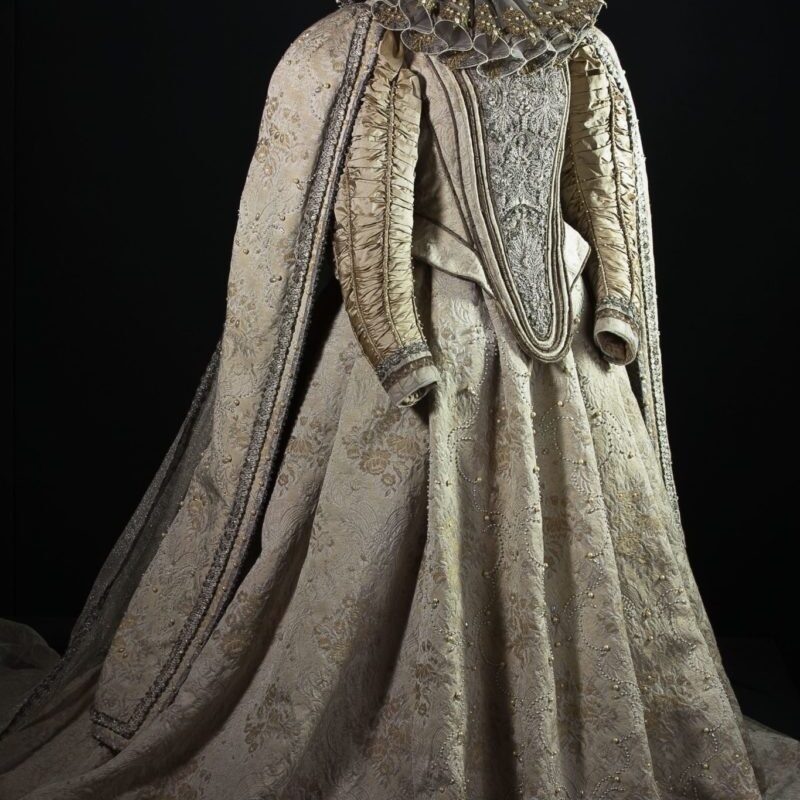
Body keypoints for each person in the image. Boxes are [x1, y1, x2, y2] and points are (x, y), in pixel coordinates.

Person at [2, 1, 798, 797]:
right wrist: (396, 345)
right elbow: (369, 210)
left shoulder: (573, 41)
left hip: (565, 343)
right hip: (428, 340)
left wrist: (617, 301)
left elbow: (600, 180)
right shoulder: (381, 43)